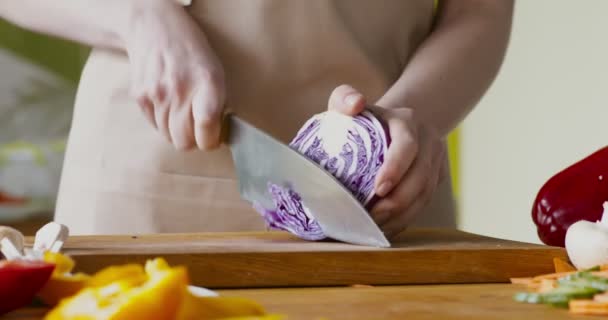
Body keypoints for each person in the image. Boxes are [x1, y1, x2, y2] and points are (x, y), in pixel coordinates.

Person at [0, 0, 514, 238]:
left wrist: (413, 116)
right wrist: (137, 16)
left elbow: (480, 11)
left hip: (385, 196)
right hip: (141, 194)